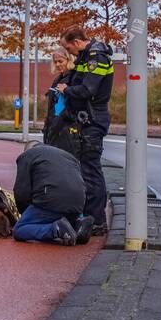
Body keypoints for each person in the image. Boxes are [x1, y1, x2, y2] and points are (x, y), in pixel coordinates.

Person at [57, 25, 114, 236]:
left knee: (91, 171)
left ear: (77, 42)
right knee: (86, 170)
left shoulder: (95, 57)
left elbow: (88, 89)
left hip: (93, 118)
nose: (69, 53)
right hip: (86, 119)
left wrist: (67, 90)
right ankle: (89, 216)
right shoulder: (86, 55)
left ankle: (97, 221)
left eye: (68, 48)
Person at [12, 143, 94, 246]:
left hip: (51, 199)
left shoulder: (27, 155)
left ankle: (55, 230)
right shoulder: (68, 156)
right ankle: (78, 226)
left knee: (19, 230)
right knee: (62, 217)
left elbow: (21, 192)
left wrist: (24, 213)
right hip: (78, 202)